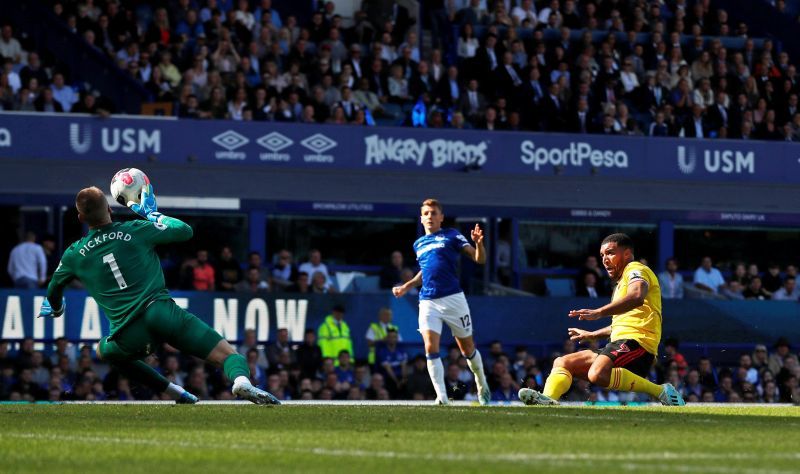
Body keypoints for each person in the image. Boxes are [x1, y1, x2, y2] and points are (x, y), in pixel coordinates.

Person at [39, 185, 279, 404]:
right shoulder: (136, 229)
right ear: (110, 210)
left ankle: (175, 392)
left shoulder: (73, 254)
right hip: (161, 312)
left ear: (80, 217)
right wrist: (151, 213)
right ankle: (241, 383)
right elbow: (184, 231)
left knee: (104, 350)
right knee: (227, 355)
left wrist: (57, 308)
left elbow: (53, 289)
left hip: (129, 334)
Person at [519, 233, 685, 406]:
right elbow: (620, 324)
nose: (605, 259)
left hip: (639, 344)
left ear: (627, 254)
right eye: (602, 255)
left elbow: (637, 296)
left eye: (610, 253)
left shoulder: (636, 269)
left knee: (597, 374)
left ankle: (660, 391)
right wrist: (592, 335)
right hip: (621, 343)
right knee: (563, 362)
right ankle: (548, 401)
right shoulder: (621, 284)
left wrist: (598, 312)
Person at [392, 198, 491, 405]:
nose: (430, 216)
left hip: (454, 299)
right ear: (421, 218)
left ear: (441, 217)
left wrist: (479, 244)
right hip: (428, 301)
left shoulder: (452, 235)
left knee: (467, 349)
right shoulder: (418, 244)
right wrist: (407, 286)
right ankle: (442, 396)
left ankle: (481, 383)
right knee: (430, 347)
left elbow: (479, 259)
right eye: (426, 213)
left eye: (434, 213)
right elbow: (425, 271)